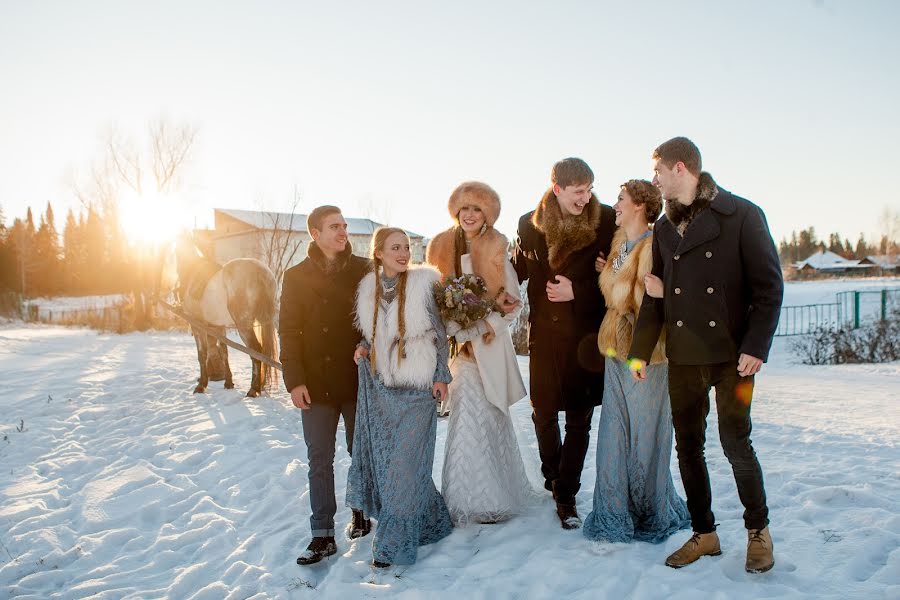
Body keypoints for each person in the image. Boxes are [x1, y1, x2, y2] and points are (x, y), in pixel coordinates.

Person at [629, 137, 783, 573]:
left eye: (657, 170)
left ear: (680, 168)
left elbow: (769, 288)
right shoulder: (662, 228)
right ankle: (705, 533)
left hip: (733, 356)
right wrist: (640, 352)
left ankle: (758, 531)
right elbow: (654, 295)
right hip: (684, 356)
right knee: (688, 448)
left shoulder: (741, 215)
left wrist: (756, 346)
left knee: (736, 444)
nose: (654, 179)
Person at [583, 180, 690, 543]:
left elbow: (651, 304)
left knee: (646, 434)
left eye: (620, 199)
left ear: (641, 205)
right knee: (614, 430)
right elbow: (612, 282)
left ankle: (649, 509)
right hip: (614, 348)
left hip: (645, 354)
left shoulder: (653, 246)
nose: (615, 205)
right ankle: (615, 508)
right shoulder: (618, 244)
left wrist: (639, 353)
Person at [512, 157, 617, 529]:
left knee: (579, 419)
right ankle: (554, 474)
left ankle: (567, 493)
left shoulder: (605, 220)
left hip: (585, 335)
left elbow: (616, 276)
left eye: (589, 190)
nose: (585, 198)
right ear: (556, 189)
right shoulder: (528, 224)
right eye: (577, 192)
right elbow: (517, 271)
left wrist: (579, 291)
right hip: (543, 334)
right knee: (542, 413)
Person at [426, 181, 533, 525]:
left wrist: (480, 326)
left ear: (486, 214)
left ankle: (495, 496)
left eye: (477, 209)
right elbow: (432, 299)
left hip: (487, 345)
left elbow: (512, 304)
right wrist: (452, 327)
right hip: (457, 352)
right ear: (456, 211)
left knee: (490, 416)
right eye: (465, 209)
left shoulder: (498, 246)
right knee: (464, 417)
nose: (470, 215)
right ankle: (462, 497)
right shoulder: (440, 247)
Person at [347, 227, 453, 567]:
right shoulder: (368, 288)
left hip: (419, 387)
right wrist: (364, 347)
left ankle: (392, 543)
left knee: (405, 467)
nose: (404, 253)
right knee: (396, 466)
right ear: (379, 253)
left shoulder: (424, 283)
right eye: (395, 248)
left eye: (406, 247)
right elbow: (372, 333)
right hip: (384, 388)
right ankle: (433, 519)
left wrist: (441, 376)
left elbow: (440, 332)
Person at [278, 206, 373, 566]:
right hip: (314, 382)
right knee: (319, 458)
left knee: (358, 451)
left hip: (356, 377)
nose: (343, 232)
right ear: (315, 234)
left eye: (345, 226)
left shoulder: (363, 269)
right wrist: (295, 380)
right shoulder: (296, 276)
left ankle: (361, 512)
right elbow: (288, 330)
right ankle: (322, 534)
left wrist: (367, 345)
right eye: (335, 226)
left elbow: (375, 318)